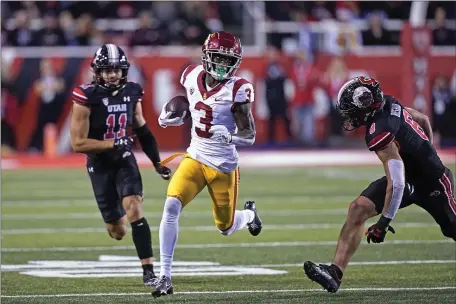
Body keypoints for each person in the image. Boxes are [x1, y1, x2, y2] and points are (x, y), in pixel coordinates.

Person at [304, 76, 456, 293]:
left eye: (350, 110)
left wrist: (384, 222)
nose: (348, 116)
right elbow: (422, 119)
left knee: (452, 227)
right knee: (358, 208)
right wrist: (428, 149)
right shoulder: (388, 103)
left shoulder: (380, 131)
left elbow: (397, 183)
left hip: (432, 180)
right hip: (410, 177)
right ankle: (334, 273)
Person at [152, 31, 263, 297]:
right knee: (171, 205)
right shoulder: (190, 75)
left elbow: (250, 135)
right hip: (196, 157)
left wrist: (233, 136)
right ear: (206, 56)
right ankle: (164, 276)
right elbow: (188, 106)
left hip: (223, 166)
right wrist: (169, 116)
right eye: (218, 58)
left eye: (229, 60)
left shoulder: (237, 89)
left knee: (224, 228)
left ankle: (248, 216)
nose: (223, 65)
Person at [70, 44, 171, 287]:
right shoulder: (86, 96)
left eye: (116, 69)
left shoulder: (133, 91)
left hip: (124, 159)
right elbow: (78, 143)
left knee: (134, 207)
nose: (112, 74)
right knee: (117, 231)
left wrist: (157, 162)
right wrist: (112, 143)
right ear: (97, 71)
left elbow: (142, 129)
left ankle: (148, 271)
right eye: (106, 70)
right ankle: (119, 217)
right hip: (100, 164)